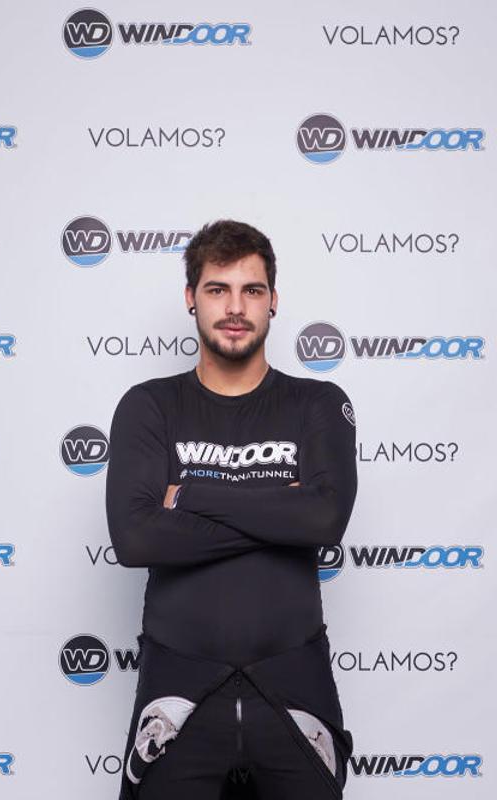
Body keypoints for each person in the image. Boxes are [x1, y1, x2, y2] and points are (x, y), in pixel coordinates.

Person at [105, 219, 359, 799]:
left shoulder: (317, 404)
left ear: (274, 301)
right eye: (218, 289)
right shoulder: (149, 406)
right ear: (191, 298)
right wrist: (282, 511)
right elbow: (136, 538)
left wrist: (192, 495)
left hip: (294, 684)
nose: (236, 307)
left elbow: (324, 521)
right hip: (178, 687)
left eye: (252, 290)